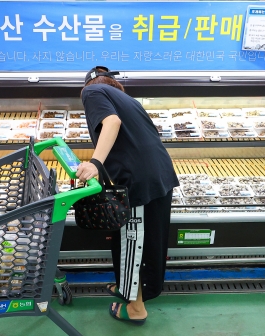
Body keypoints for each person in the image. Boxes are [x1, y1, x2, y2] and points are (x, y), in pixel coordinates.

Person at [75, 66, 179, 325]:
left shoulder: (93, 91)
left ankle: (136, 308)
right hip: (158, 173)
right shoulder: (128, 100)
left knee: (134, 242)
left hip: (139, 180)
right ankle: (127, 288)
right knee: (145, 241)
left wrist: (95, 163)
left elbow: (112, 123)